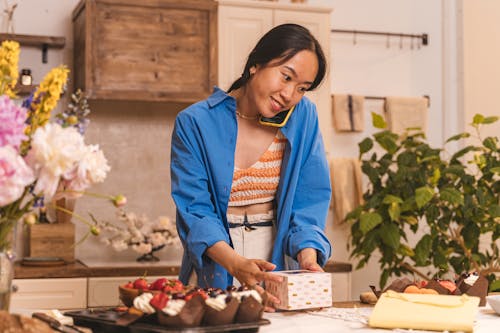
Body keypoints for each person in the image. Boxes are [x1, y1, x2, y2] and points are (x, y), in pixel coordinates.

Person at [170, 23, 332, 307]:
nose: (289, 95)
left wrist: (308, 256)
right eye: (285, 77)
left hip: (276, 259)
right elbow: (195, 210)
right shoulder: (194, 122)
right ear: (256, 63)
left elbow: (309, 202)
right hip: (218, 257)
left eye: (302, 88)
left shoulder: (303, 116)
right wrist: (235, 264)